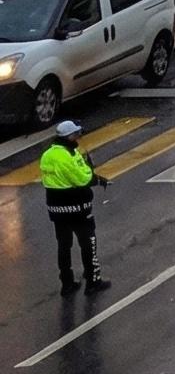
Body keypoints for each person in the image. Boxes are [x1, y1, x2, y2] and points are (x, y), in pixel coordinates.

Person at [41, 120, 110, 294]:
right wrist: (97, 178)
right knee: (88, 243)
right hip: (78, 208)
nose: (79, 136)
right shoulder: (68, 156)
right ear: (69, 136)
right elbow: (83, 179)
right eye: (76, 134)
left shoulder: (48, 154)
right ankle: (93, 281)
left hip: (56, 210)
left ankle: (67, 283)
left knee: (64, 246)